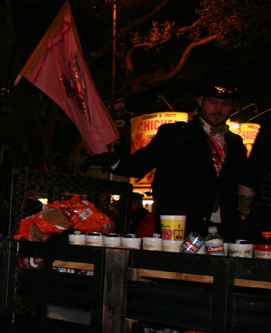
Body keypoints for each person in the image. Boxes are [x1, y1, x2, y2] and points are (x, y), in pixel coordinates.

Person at [82, 82, 247, 240]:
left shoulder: (236, 143)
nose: (218, 109)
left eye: (225, 104)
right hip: (182, 227)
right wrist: (109, 160)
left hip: (226, 230)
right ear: (200, 102)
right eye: (213, 102)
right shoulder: (177, 134)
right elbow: (139, 164)